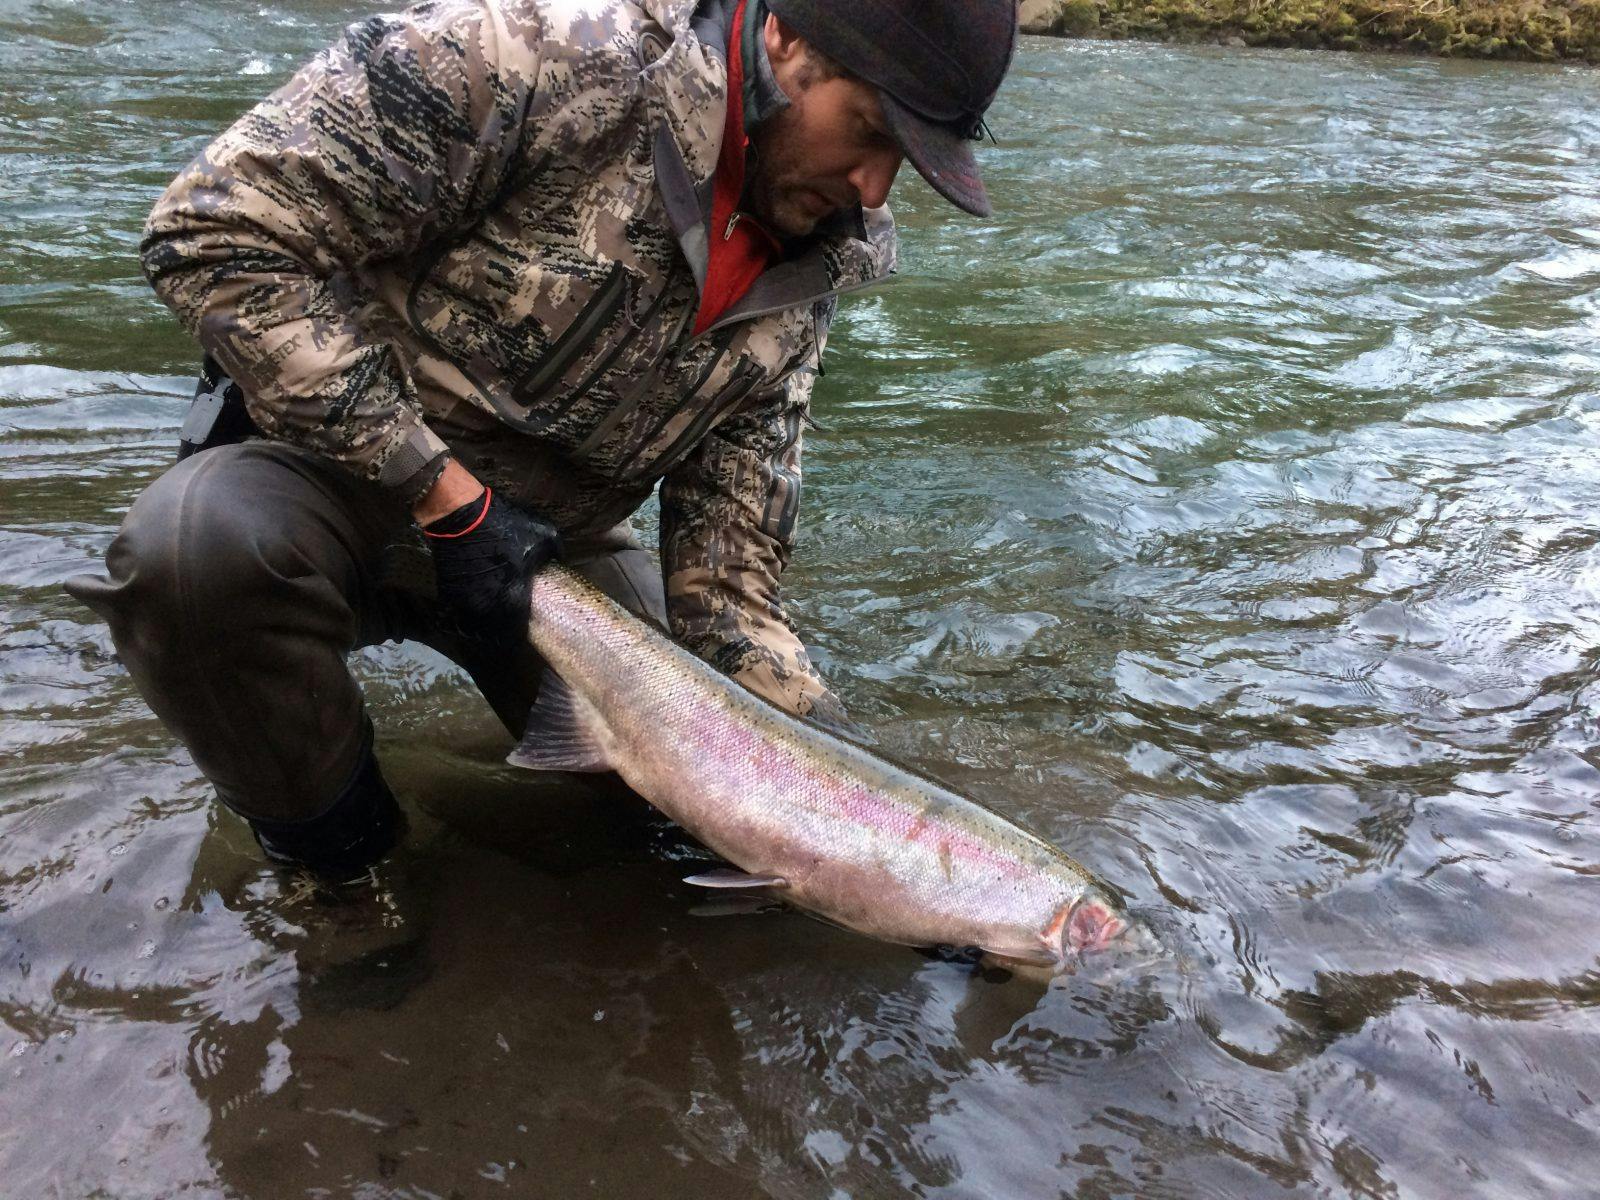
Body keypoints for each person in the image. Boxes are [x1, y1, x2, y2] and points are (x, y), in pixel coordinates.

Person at [66, 0, 1019, 878]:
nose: (874, 187)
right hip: (329, 485)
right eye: (870, 132)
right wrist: (444, 497)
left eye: (910, 162)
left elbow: (726, 581)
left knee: (714, 829)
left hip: (546, 567)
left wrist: (880, 832)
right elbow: (209, 232)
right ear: (787, 42)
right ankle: (345, 874)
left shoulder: (817, 258)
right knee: (190, 554)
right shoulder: (528, 55)